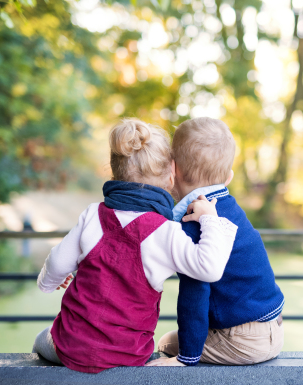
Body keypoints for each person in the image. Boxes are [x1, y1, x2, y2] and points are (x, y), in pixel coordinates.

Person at [32, 119, 238, 373]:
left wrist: (47, 283)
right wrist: (209, 218)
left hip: (71, 348)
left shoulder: (92, 215)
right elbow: (209, 268)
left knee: (42, 339)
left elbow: (57, 263)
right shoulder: (167, 232)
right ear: (171, 174)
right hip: (129, 354)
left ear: (114, 173)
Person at [148, 117, 284, 367]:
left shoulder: (192, 223)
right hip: (271, 329)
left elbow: (194, 296)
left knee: (167, 344)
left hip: (242, 340)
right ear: (228, 176)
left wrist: (186, 357)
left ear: (172, 169)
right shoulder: (227, 207)